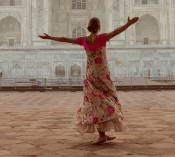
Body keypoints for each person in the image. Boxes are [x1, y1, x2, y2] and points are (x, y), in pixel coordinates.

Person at [39, 16, 139, 145]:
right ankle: (102, 133)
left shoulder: (84, 40)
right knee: (108, 100)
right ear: (98, 27)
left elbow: (65, 39)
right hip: (103, 75)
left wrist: (50, 38)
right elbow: (116, 32)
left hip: (90, 75)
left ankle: (102, 134)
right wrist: (129, 24)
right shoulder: (101, 38)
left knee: (95, 103)